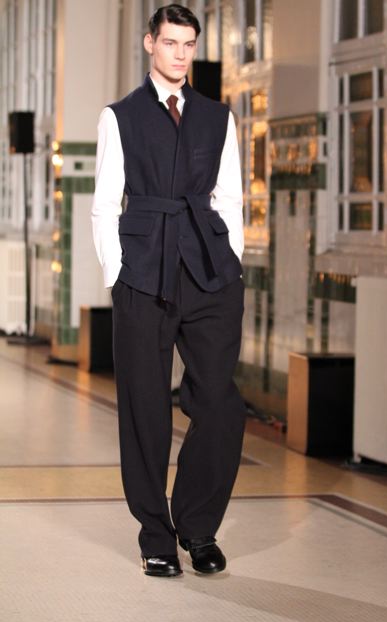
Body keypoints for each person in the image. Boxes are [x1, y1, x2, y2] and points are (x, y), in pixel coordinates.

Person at [91, 3, 245, 578]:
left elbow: (230, 198)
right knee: (144, 408)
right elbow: (105, 204)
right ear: (150, 43)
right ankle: (156, 536)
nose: (181, 54)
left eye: (189, 44)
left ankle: (198, 529)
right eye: (171, 42)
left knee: (220, 404)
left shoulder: (218, 117)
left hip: (209, 270)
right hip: (143, 273)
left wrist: (232, 261)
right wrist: (117, 275)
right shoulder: (120, 116)